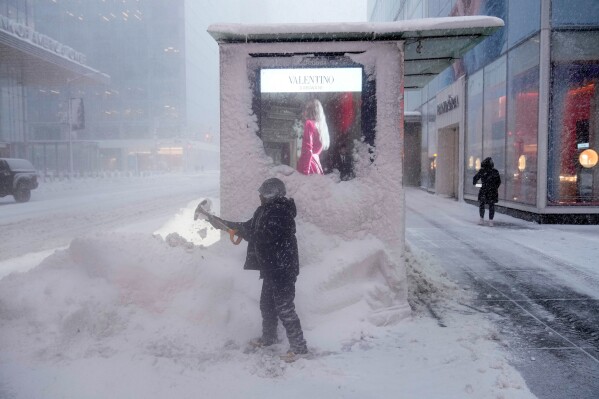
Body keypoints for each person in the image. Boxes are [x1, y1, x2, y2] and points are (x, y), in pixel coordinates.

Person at [207, 178, 308, 356]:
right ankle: (269, 339)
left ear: (272, 195)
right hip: (271, 269)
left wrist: (241, 232)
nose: (259, 196)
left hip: (283, 270)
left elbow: (263, 236)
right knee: (267, 305)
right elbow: (248, 227)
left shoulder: (280, 212)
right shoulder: (264, 210)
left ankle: (299, 348)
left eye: (262, 193)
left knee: (285, 308)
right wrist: (223, 224)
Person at [297, 99, 330, 175]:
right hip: (316, 165)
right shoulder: (321, 126)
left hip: (308, 165)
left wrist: (305, 172)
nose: (304, 112)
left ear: (310, 110)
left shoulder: (309, 123)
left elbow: (308, 149)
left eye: (306, 109)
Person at [473, 157, 501, 226]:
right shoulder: (495, 171)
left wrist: (478, 184)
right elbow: (499, 182)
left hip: (484, 191)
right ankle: (490, 221)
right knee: (491, 206)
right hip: (492, 191)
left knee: (482, 205)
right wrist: (494, 187)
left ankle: (481, 219)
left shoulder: (482, 171)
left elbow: (475, 179)